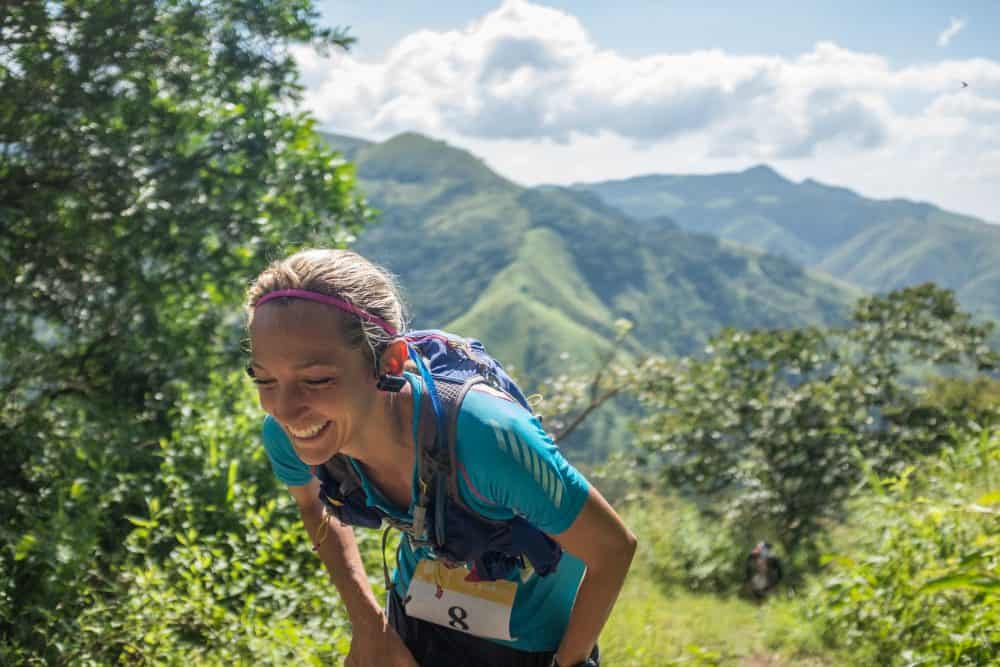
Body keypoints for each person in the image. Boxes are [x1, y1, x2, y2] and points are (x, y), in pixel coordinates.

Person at [245, 248, 637, 667]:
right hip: (415, 617)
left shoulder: (485, 437)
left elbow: (612, 548)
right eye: (263, 378)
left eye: (317, 379)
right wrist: (369, 624)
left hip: (531, 644)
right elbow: (312, 505)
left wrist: (570, 663)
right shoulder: (295, 432)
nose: (284, 409)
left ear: (389, 362)